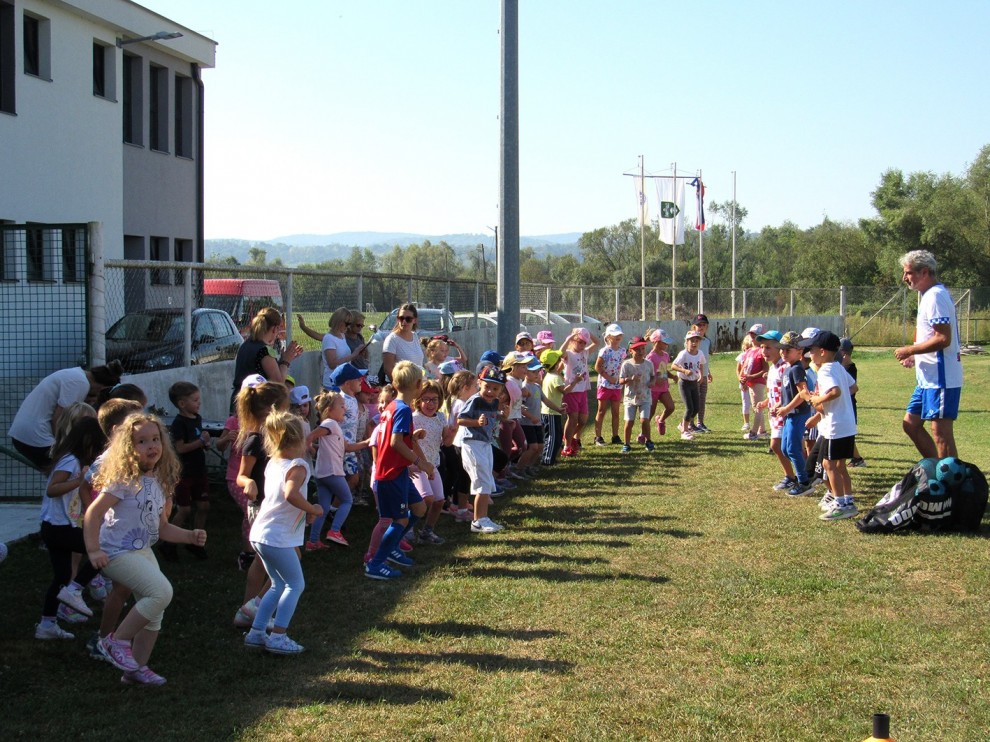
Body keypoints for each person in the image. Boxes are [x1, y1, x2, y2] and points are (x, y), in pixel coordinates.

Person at [84, 412, 207, 686]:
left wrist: (189, 536)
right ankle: (115, 641)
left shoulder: (159, 482)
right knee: (161, 592)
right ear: (128, 448)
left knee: (154, 611)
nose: (151, 446)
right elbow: (93, 513)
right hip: (116, 551)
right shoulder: (123, 480)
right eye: (142, 441)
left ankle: (135, 670)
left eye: (155, 439)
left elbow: (161, 528)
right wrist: (93, 550)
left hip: (141, 549)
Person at [242, 410, 321, 655]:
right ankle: (278, 636)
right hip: (277, 537)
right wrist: (313, 509)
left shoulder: (274, 463)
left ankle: (256, 632)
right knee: (295, 584)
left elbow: (281, 498)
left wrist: (305, 511)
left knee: (277, 584)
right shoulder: (298, 466)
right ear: (298, 439)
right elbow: (290, 494)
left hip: (261, 533)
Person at [36, 416, 106, 640]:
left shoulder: (74, 461)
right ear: (88, 441)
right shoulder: (70, 461)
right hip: (59, 528)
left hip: (55, 528)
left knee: (62, 575)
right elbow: (52, 489)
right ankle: (76, 590)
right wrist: (79, 481)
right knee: (104, 551)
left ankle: (47, 625)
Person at [366, 361, 432, 578]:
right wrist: (421, 463)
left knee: (419, 509)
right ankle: (375, 564)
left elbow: (395, 439)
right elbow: (395, 442)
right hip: (390, 474)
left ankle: (392, 547)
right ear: (418, 384)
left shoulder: (394, 406)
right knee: (400, 520)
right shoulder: (403, 409)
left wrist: (412, 437)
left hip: (398, 471)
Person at [894, 250, 962, 460]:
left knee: (941, 433)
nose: (904, 278)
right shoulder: (928, 295)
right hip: (928, 378)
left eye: (908, 273)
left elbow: (943, 338)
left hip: (941, 378)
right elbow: (931, 336)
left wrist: (910, 350)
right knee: (911, 424)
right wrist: (916, 356)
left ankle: (951, 478)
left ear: (924, 272)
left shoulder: (935, 296)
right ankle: (936, 468)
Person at [232, 380, 290, 631]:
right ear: (272, 410)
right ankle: (253, 606)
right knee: (278, 561)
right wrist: (249, 484)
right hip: (263, 507)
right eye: (287, 408)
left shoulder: (278, 436)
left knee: (266, 561)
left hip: (278, 505)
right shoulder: (255, 440)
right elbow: (242, 475)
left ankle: (249, 608)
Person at [9, 360, 123, 470]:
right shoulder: (79, 383)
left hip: (24, 433)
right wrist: (65, 448)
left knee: (65, 468)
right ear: (102, 388)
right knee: (69, 468)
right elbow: (59, 420)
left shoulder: (75, 374)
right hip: (36, 435)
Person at [798, 330, 859, 521]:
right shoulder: (838, 367)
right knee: (840, 466)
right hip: (847, 424)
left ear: (823, 352)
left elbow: (835, 392)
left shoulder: (825, 370)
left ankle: (840, 504)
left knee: (828, 464)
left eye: (812, 350)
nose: (809, 354)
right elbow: (853, 387)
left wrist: (814, 399)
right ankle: (848, 502)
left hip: (835, 426)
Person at [306, 391, 366, 549]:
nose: (345, 409)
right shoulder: (330, 424)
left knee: (324, 508)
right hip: (333, 472)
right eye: (342, 406)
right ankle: (334, 531)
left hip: (322, 474)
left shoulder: (334, 427)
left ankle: (313, 541)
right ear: (329, 410)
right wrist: (309, 448)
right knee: (347, 500)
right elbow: (310, 437)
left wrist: (368, 442)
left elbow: (348, 447)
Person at [164, 381, 212, 561]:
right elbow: (181, 448)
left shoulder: (197, 418)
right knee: (184, 509)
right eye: (195, 400)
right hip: (185, 473)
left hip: (199, 470)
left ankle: (196, 542)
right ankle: (168, 543)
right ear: (182, 403)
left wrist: (205, 444)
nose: (199, 403)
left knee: (204, 506)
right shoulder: (179, 423)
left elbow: (198, 441)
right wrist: (200, 442)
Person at [457, 365, 507, 534]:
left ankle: (483, 518)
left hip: (485, 443)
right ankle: (478, 521)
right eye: (487, 386)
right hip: (473, 443)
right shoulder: (475, 400)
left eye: (495, 388)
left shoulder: (494, 402)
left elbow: (492, 417)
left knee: (486, 481)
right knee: (482, 482)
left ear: (501, 390)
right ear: (479, 383)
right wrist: (475, 423)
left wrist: (503, 415)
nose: (490, 391)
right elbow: (460, 420)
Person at [771, 332, 814, 497]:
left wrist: (787, 408)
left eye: (788, 350)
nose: (783, 352)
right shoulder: (788, 369)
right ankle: (804, 474)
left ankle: (804, 482)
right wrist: (780, 405)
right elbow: (789, 393)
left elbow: (802, 393)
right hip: (790, 414)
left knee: (793, 448)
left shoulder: (797, 369)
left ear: (800, 352)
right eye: (782, 349)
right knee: (785, 448)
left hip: (798, 414)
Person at [410, 379, 450, 544]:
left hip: (433, 465)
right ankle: (406, 528)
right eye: (425, 399)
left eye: (434, 399)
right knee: (426, 498)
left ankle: (427, 531)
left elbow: (446, 442)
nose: (430, 403)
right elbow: (411, 443)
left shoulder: (440, 417)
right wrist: (424, 465)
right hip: (417, 465)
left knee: (439, 500)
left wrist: (453, 431)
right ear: (418, 400)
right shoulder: (414, 418)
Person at [232, 308, 302, 402]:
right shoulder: (264, 351)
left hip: (239, 399)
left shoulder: (246, 344)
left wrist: (282, 360)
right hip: (255, 402)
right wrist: (286, 361)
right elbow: (279, 384)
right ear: (274, 329)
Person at [560, 327, 599, 456]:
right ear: (573, 341)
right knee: (573, 418)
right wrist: (569, 339)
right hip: (571, 390)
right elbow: (560, 353)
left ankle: (568, 437)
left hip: (582, 390)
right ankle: (567, 446)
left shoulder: (584, 353)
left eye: (584, 343)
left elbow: (597, 343)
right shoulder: (568, 354)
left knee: (583, 420)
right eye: (579, 342)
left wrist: (587, 332)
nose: (582, 345)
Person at [619, 336, 655, 453]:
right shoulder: (626, 364)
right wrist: (630, 379)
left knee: (644, 420)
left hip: (645, 397)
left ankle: (648, 441)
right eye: (637, 349)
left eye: (642, 349)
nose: (640, 352)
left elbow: (653, 376)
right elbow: (621, 380)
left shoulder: (649, 364)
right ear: (631, 351)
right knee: (629, 421)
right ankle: (626, 444)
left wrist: (652, 382)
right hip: (630, 398)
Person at [594, 324, 626, 446]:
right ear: (608, 337)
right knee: (601, 411)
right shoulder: (605, 351)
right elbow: (597, 367)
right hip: (604, 385)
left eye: (619, 335)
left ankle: (615, 436)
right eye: (614, 335)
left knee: (616, 412)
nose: (617, 337)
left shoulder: (622, 351)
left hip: (617, 386)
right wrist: (609, 378)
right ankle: (598, 437)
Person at [671, 330, 707, 440]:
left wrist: (701, 375)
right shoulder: (683, 354)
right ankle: (685, 431)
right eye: (692, 341)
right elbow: (673, 366)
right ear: (686, 342)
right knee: (689, 408)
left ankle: (683, 424)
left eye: (697, 341)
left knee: (696, 408)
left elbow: (701, 364)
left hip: (694, 383)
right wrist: (684, 370)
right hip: (684, 383)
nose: (694, 343)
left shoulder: (700, 353)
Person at [539, 350, 572, 466]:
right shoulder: (555, 378)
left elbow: (552, 394)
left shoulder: (548, 376)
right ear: (556, 363)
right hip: (551, 412)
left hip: (551, 411)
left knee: (556, 436)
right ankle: (547, 460)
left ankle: (551, 458)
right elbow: (565, 391)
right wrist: (575, 381)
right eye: (559, 360)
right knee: (552, 437)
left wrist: (559, 405)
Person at [381, 303, 425, 381]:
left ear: (414, 320)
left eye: (408, 319)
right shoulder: (392, 339)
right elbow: (388, 369)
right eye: (401, 318)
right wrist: (400, 386)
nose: (404, 322)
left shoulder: (414, 336)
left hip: (417, 383)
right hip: (402, 384)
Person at [739, 324, 768, 440]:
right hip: (750, 382)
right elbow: (744, 367)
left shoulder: (761, 351)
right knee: (756, 406)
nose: (751, 337)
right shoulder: (749, 351)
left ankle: (754, 432)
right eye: (751, 334)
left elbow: (765, 369)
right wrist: (743, 379)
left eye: (754, 335)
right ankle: (762, 430)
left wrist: (751, 376)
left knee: (757, 407)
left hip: (758, 382)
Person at [646, 329, 675, 437]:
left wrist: (672, 376)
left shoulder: (665, 355)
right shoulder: (650, 357)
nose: (667, 344)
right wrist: (654, 380)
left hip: (663, 388)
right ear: (656, 342)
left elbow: (664, 369)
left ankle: (660, 420)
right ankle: (643, 433)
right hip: (653, 389)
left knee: (671, 407)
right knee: (650, 413)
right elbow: (647, 373)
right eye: (664, 342)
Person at [691, 314, 715, 432]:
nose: (701, 327)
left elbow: (704, 359)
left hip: (704, 374)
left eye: (703, 325)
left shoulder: (707, 341)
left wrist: (708, 372)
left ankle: (700, 423)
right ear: (694, 327)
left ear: (707, 327)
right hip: (693, 375)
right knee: (693, 400)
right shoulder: (691, 340)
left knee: (702, 399)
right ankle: (689, 423)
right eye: (699, 325)